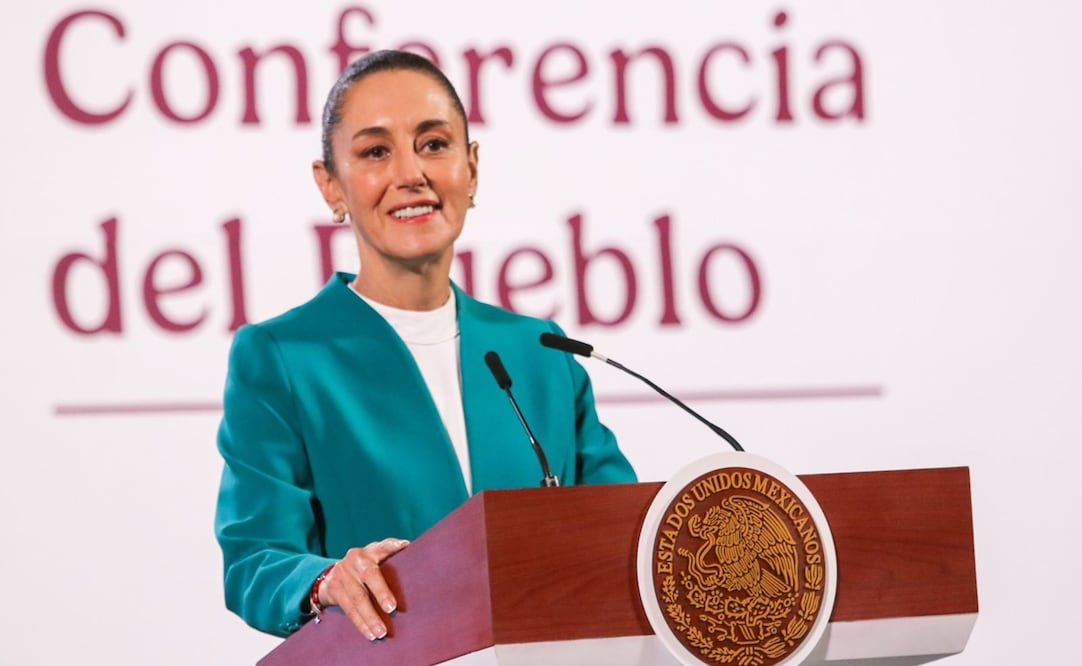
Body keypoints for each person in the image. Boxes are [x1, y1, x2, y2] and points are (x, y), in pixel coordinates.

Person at [213, 50, 637, 641]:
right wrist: (326, 580)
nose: (411, 173)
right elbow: (256, 559)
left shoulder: (542, 354)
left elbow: (629, 538)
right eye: (375, 151)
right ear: (331, 185)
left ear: (472, 167)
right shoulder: (284, 357)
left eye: (434, 144)